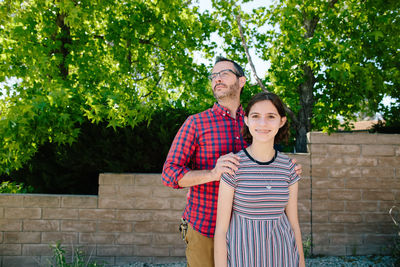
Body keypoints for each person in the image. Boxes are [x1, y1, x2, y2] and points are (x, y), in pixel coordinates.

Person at [161, 57, 302, 267]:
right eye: (213, 76)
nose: (217, 79)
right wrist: (212, 173)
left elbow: (267, 155)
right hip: (206, 227)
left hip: (249, 234)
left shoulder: (256, 119)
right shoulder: (196, 123)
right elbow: (169, 174)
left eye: (224, 73)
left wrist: (285, 166)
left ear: (241, 81)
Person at [214, 92, 305, 267]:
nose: (263, 123)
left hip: (283, 257)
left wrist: (301, 263)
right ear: (246, 120)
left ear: (282, 121)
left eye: (271, 116)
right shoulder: (233, 166)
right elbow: (221, 230)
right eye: (256, 116)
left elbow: (294, 224)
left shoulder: (289, 168)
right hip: (243, 258)